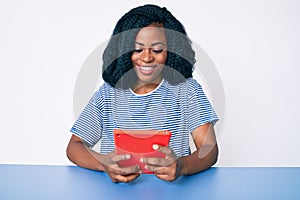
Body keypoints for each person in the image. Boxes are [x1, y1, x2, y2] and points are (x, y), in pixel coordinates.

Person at [66, 4, 219, 183]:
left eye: (157, 50)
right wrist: (104, 163)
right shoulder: (108, 94)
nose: (146, 58)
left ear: (171, 51)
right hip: (117, 192)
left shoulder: (187, 91)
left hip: (173, 192)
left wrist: (182, 165)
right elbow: (74, 147)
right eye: (137, 49)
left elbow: (209, 148)